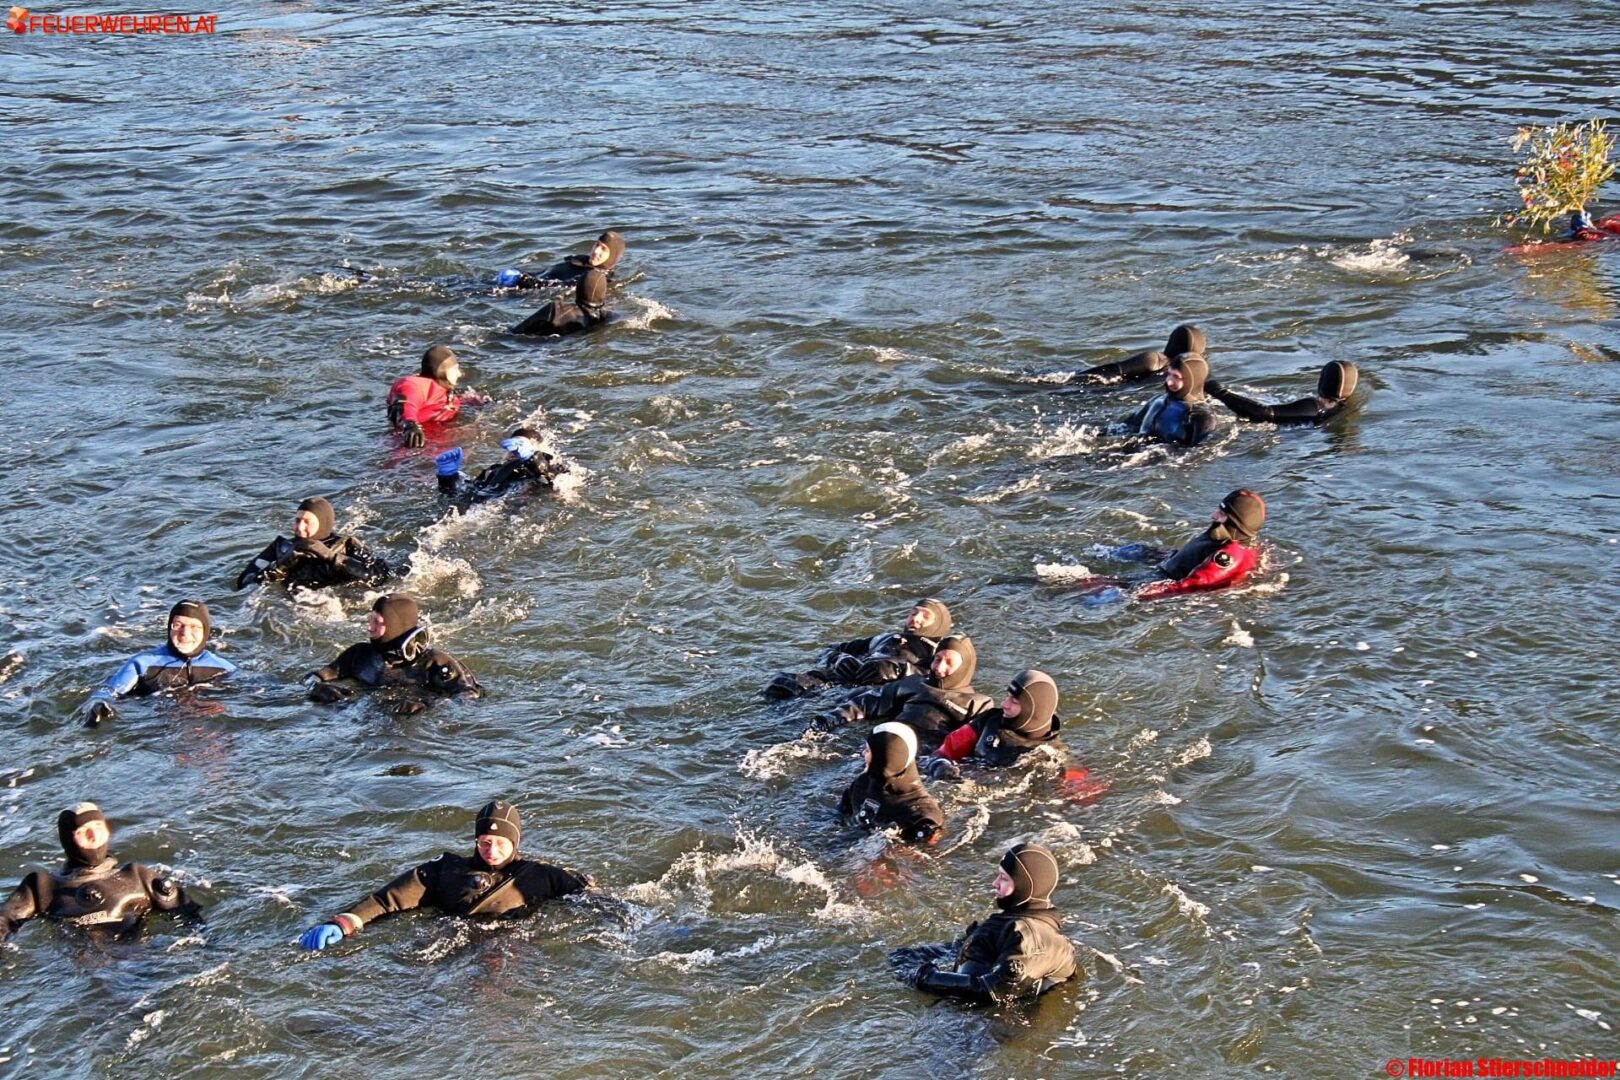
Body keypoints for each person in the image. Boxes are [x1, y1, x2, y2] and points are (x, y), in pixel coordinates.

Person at [297, 801, 589, 951]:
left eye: (501, 844)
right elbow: (388, 900)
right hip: (445, 943)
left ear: (516, 843)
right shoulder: (446, 869)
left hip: (508, 944)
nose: (492, 850)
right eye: (484, 842)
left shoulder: (541, 875)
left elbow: (592, 896)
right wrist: (345, 922)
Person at [0, 803, 202, 941]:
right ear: (68, 840)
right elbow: (4, 922)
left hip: (138, 962)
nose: (93, 836)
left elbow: (190, 916)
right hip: (78, 972)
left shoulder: (137, 876)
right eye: (83, 832)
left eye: (98, 827)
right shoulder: (42, 887)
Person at [904, 843, 1077, 1003]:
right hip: (968, 1018)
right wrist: (909, 959)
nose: (995, 884)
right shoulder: (1012, 923)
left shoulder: (1033, 939)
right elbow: (959, 951)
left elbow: (996, 991)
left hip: (994, 1032)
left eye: (1003, 878)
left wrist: (926, 978)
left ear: (1024, 885)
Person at [307, 593, 480, 714]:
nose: (369, 627)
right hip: (364, 721)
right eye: (370, 620)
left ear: (395, 626)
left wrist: (427, 706)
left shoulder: (434, 662)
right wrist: (317, 688)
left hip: (414, 729)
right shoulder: (358, 655)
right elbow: (312, 678)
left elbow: (468, 696)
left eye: (377, 622)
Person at [1085, 489, 1267, 602]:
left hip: (1162, 580)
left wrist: (1138, 592)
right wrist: (1164, 554)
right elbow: (1198, 557)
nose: (1213, 516)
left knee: (1091, 585)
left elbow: (1192, 586)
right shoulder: (1230, 542)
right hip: (1167, 564)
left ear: (1234, 522)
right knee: (1134, 550)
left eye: (1220, 513)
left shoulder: (1229, 556)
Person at [814, 634, 991, 749]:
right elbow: (863, 703)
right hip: (883, 744)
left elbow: (977, 746)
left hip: (927, 756)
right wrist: (831, 719)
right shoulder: (913, 684)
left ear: (964, 667)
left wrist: (943, 763)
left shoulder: (977, 704)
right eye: (937, 659)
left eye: (949, 662)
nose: (939, 667)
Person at [761, 598, 952, 701]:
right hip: (838, 682)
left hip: (873, 693)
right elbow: (828, 650)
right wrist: (839, 659)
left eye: (925, 616)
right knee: (781, 683)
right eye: (912, 613)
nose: (915, 619)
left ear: (938, 624)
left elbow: (942, 680)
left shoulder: (938, 651)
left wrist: (902, 670)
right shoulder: (883, 638)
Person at [84, 600, 236, 726]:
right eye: (178, 625)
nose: (185, 633)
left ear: (206, 632)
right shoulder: (142, 663)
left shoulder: (224, 668)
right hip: (156, 725)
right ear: (169, 628)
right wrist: (98, 704)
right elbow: (110, 691)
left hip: (205, 723)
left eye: (194, 627)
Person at [920, 669, 1062, 778]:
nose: (1004, 704)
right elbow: (946, 750)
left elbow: (1078, 797)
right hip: (956, 778)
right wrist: (939, 765)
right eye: (1007, 696)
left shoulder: (1051, 754)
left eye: (1014, 701)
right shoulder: (989, 720)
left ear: (1033, 711)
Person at [235, 496, 391, 590]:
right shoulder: (281, 547)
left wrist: (331, 557)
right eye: (297, 521)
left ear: (323, 523)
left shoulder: (347, 544)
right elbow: (244, 583)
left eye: (306, 522)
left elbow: (379, 576)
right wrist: (281, 566)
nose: (299, 528)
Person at [836, 723, 945, 846]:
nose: (862, 754)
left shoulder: (923, 817)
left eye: (868, 750)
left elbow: (919, 857)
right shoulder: (861, 784)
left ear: (884, 757)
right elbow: (839, 816)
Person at [434, 425, 569, 506]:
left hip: (518, 511)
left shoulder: (554, 465)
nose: (513, 452)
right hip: (484, 510)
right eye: (513, 448)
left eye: (520, 446)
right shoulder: (493, 471)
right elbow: (464, 496)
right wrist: (447, 478)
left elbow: (555, 483)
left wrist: (533, 459)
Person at [387, 345, 484, 448]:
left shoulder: (447, 393)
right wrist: (410, 426)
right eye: (455, 369)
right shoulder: (414, 386)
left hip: (441, 438)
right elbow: (404, 405)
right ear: (443, 371)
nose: (459, 374)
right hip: (413, 442)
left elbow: (454, 401)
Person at [1118, 352, 1221, 447]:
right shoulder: (1158, 400)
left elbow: (1199, 453)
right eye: (1169, 374)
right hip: (1134, 451)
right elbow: (1126, 426)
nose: (1169, 382)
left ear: (1192, 380)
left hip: (1158, 461)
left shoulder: (1200, 417)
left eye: (1176, 376)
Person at [1208, 361, 1358, 425]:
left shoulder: (1314, 405)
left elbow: (1264, 414)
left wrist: (1220, 393)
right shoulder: (1344, 408)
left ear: (1322, 381)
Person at [1071, 324, 1206, 383]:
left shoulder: (1157, 360)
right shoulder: (1157, 361)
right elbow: (1111, 371)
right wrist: (1070, 381)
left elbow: (1115, 369)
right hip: (1102, 390)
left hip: (1109, 393)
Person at [495, 230, 626, 290]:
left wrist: (526, 282)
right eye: (596, 244)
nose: (596, 251)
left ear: (612, 256)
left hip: (522, 291)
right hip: (521, 281)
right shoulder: (581, 261)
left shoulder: (596, 278)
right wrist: (520, 273)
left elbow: (563, 286)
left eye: (603, 249)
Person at [510, 268, 609, 336]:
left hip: (538, 347)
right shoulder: (603, 318)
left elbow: (515, 333)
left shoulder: (556, 309)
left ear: (579, 287)